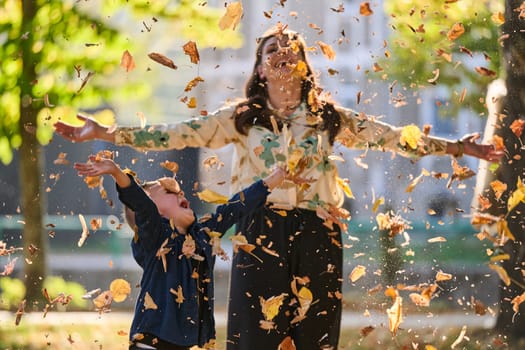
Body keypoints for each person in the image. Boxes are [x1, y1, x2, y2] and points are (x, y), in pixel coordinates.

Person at [56, 24, 503, 350]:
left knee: (316, 335)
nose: (282, 52)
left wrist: (457, 149)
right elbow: (177, 133)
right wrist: (105, 133)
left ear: (305, 65)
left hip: (319, 230)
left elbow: (391, 138)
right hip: (260, 232)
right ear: (261, 68)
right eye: (272, 48)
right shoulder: (242, 118)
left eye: (292, 47)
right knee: (254, 337)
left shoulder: (330, 118)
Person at [73, 154, 286, 350]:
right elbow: (141, 204)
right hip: (150, 341)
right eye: (168, 191)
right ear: (155, 211)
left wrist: (272, 181)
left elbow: (233, 208)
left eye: (179, 191)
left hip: (183, 343)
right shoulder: (156, 237)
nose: (180, 192)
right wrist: (118, 173)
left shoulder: (203, 232)